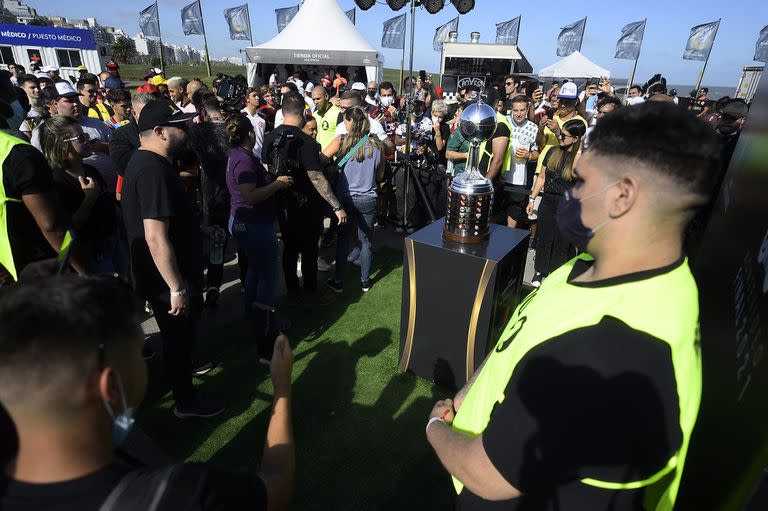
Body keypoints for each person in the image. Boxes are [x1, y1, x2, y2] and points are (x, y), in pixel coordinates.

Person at [427, 102, 717, 511]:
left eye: (579, 181)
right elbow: (519, 338)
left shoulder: (617, 353)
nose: (568, 191)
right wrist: (463, 398)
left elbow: (487, 473)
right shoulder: (588, 265)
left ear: (622, 196)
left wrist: (436, 425)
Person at [0, 275, 295, 511]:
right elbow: (276, 486)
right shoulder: (180, 496)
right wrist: (281, 387)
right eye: (139, 353)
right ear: (111, 388)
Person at [121, 98, 224, 418]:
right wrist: (176, 287)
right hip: (168, 279)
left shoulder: (152, 164)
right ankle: (185, 402)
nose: (186, 130)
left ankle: (185, 380)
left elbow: (167, 221)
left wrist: (200, 230)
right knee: (176, 339)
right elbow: (154, 236)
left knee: (180, 338)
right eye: (179, 126)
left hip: (171, 272)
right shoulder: (151, 170)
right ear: (159, 131)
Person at [261, 92, 347, 302]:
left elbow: (265, 169)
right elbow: (317, 177)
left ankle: (292, 290)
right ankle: (310, 292)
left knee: (289, 248)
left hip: (282, 203)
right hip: (306, 205)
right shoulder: (305, 141)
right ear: (302, 112)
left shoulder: (270, 137)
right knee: (309, 250)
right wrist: (336, 206)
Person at [225, 114, 291, 324]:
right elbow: (250, 196)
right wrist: (278, 183)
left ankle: (253, 314)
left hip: (245, 221)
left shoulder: (237, 154)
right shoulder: (243, 160)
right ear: (251, 134)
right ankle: (266, 321)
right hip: (253, 224)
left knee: (255, 268)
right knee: (267, 275)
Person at [38, 116, 124, 275]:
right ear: (61, 144)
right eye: (80, 138)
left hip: (113, 241)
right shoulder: (56, 183)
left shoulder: (90, 170)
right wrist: (89, 199)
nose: (87, 139)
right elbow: (67, 229)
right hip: (90, 252)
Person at [322, 107, 385, 293]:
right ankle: (365, 281)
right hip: (368, 198)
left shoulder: (341, 141)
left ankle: (338, 281)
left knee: (343, 239)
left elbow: (321, 159)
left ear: (349, 121)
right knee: (366, 240)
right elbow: (380, 176)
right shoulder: (377, 144)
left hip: (345, 197)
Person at [527, 118, 586, 287]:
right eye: (560, 134)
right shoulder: (552, 151)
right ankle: (539, 271)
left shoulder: (581, 158)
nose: (560, 138)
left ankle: (555, 275)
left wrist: (579, 149)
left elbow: (576, 175)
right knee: (545, 237)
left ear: (576, 139)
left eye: (564, 136)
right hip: (548, 201)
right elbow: (542, 177)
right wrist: (532, 198)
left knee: (562, 243)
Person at [186, 95, 232, 307]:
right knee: (232, 238)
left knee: (214, 239)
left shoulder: (197, 132)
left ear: (203, 113)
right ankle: (238, 282)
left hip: (210, 195)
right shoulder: (234, 127)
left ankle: (212, 283)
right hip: (235, 192)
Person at [535, 82, 588, 176]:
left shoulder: (580, 122)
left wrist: (557, 132)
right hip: (541, 170)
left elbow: (575, 149)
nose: (563, 105)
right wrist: (540, 130)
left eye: (567, 102)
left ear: (576, 102)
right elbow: (541, 146)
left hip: (560, 172)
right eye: (561, 101)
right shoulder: (553, 119)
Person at [110, 92, 156, 200]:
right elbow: (121, 165)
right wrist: (150, 146)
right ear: (134, 113)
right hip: (137, 194)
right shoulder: (120, 134)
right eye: (145, 113)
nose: (150, 117)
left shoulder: (163, 129)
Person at [504, 95, 540, 228]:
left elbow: (537, 153)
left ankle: (507, 241)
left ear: (527, 110)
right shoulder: (505, 122)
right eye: (515, 110)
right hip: (501, 175)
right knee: (497, 209)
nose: (518, 114)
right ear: (511, 110)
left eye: (522, 110)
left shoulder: (533, 128)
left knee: (514, 213)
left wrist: (529, 155)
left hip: (519, 180)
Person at [311, 85, 341, 150]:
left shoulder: (337, 113)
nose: (315, 102)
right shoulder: (314, 114)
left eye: (318, 99)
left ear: (326, 96)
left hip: (332, 157)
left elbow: (341, 138)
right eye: (313, 99)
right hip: (318, 155)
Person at [241, 87, 267, 158]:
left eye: (258, 95)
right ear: (247, 99)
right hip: (246, 157)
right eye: (254, 96)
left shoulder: (263, 117)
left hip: (261, 158)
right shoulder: (241, 116)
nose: (257, 98)